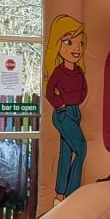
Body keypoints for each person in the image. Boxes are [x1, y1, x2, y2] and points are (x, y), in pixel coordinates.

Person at [44, 14, 88, 206]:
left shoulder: (79, 72)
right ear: (58, 45)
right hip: (63, 114)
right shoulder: (59, 71)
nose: (76, 49)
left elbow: (84, 89)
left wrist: (77, 102)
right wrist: (60, 103)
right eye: (69, 42)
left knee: (66, 152)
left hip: (74, 112)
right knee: (82, 149)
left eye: (80, 43)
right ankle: (72, 192)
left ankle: (60, 195)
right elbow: (49, 90)